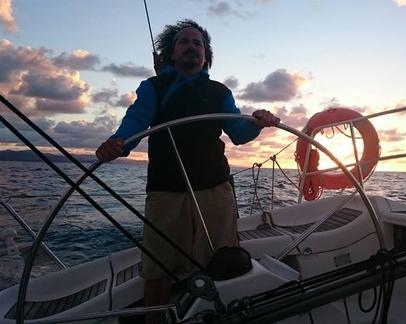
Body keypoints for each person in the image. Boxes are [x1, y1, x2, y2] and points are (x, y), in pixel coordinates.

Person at [95, 19, 279, 323]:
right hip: (166, 191)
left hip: (215, 189)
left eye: (198, 44)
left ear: (206, 56)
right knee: (158, 268)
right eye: (184, 42)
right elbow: (137, 120)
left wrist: (256, 122)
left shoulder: (219, 91)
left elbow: (238, 131)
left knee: (222, 260)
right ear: (172, 52)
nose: (191, 47)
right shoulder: (154, 87)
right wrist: (118, 143)